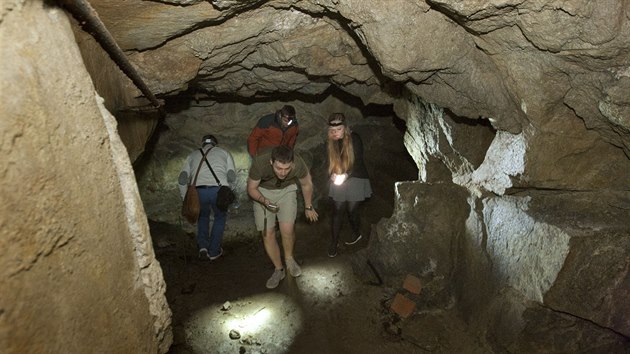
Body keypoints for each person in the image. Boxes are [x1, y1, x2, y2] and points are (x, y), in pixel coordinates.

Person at [247, 145, 319, 289]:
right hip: (263, 192)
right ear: (271, 162)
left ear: (292, 163)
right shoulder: (259, 163)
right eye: (279, 168)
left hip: (287, 191)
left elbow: (306, 184)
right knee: (268, 233)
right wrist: (264, 201)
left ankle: (289, 259)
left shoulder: (298, 163)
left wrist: (308, 206)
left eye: (287, 169)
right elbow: (251, 188)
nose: (283, 172)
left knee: (287, 229)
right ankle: (278, 269)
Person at [178, 134, 236, 261]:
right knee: (220, 217)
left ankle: (203, 247)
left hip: (199, 191)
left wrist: (185, 198)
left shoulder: (192, 155)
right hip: (218, 190)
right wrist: (228, 192)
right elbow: (231, 176)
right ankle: (214, 252)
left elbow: (182, 179)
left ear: (202, 143)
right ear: (215, 144)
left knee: (202, 217)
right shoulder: (224, 152)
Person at [325, 113, 372, 257]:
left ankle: (357, 232)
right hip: (339, 175)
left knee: (352, 209)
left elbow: (357, 161)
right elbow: (327, 162)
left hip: (356, 175)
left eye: (338, 129)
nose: (335, 132)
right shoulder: (329, 143)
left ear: (345, 128)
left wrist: (345, 175)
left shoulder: (354, 138)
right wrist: (332, 174)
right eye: (333, 130)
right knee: (338, 208)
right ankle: (334, 242)